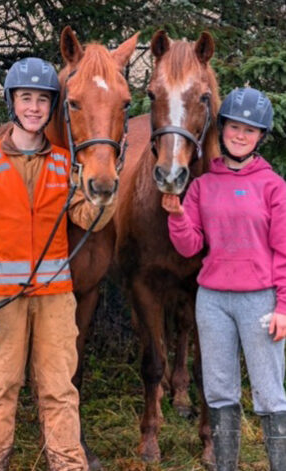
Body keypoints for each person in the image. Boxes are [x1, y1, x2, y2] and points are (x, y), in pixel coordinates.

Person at [0, 57, 115, 471]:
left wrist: (103, 187)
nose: (34, 108)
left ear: (51, 108)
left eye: (42, 101)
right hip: (1, 301)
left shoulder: (64, 164)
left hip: (55, 299)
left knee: (59, 390)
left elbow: (86, 217)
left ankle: (67, 463)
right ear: (12, 102)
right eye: (26, 98)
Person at [162, 87, 286, 470]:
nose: (239, 135)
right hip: (212, 300)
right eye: (234, 127)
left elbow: (284, 251)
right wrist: (177, 214)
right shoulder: (202, 186)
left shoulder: (273, 187)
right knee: (218, 390)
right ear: (222, 129)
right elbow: (189, 247)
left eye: (249, 130)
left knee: (269, 392)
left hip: (259, 301)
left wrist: (283, 306)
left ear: (260, 136)